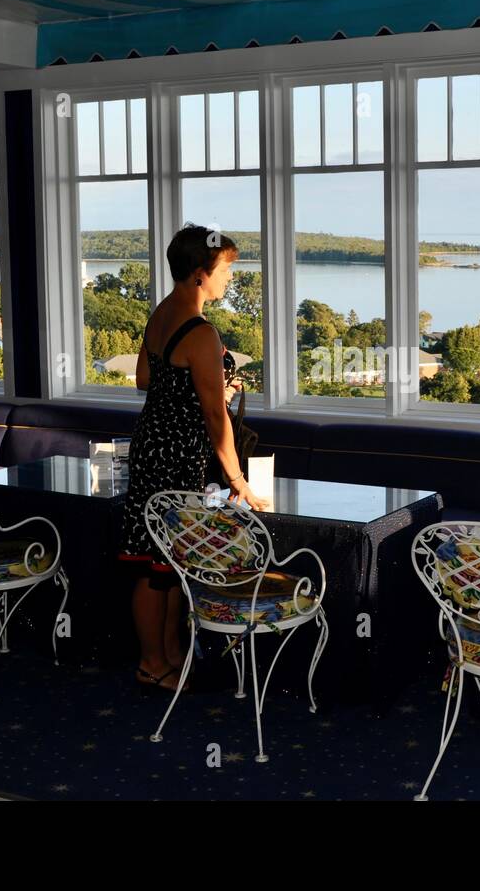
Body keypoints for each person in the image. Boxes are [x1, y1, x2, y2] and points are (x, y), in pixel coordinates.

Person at [119, 224, 271, 692]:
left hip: (151, 445)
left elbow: (146, 379)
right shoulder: (201, 332)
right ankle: (152, 663)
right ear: (201, 273)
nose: (231, 278)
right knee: (159, 564)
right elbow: (214, 417)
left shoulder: (162, 314)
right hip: (180, 456)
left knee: (160, 562)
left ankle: (166, 658)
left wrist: (207, 386)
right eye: (226, 269)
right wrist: (237, 478)